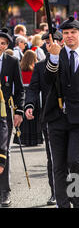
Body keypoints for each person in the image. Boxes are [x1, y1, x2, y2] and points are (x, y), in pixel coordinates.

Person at [37, 17, 79, 208]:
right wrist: (54, 58)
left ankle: (76, 200)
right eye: (66, 33)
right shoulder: (55, 55)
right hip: (56, 117)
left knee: (74, 161)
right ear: (62, 36)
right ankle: (63, 203)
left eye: (73, 32)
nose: (69, 36)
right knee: (58, 165)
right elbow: (48, 80)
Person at [24, 29, 63, 206]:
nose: (50, 45)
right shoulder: (40, 67)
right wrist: (30, 105)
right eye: (47, 43)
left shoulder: (71, 62)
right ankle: (56, 192)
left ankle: (75, 193)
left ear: (61, 43)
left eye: (53, 42)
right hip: (50, 116)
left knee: (74, 159)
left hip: (72, 117)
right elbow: (32, 89)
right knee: (53, 157)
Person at [0, 28, 24, 208]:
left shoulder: (12, 61)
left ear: (7, 46)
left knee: (3, 151)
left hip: (5, 112)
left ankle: (4, 191)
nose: (0, 46)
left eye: (3, 44)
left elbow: (20, 89)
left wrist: (19, 111)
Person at [15, 50, 41, 147]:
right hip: (33, 95)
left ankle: (23, 138)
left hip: (23, 95)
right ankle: (34, 139)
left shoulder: (20, 70)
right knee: (34, 118)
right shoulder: (35, 70)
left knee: (24, 119)